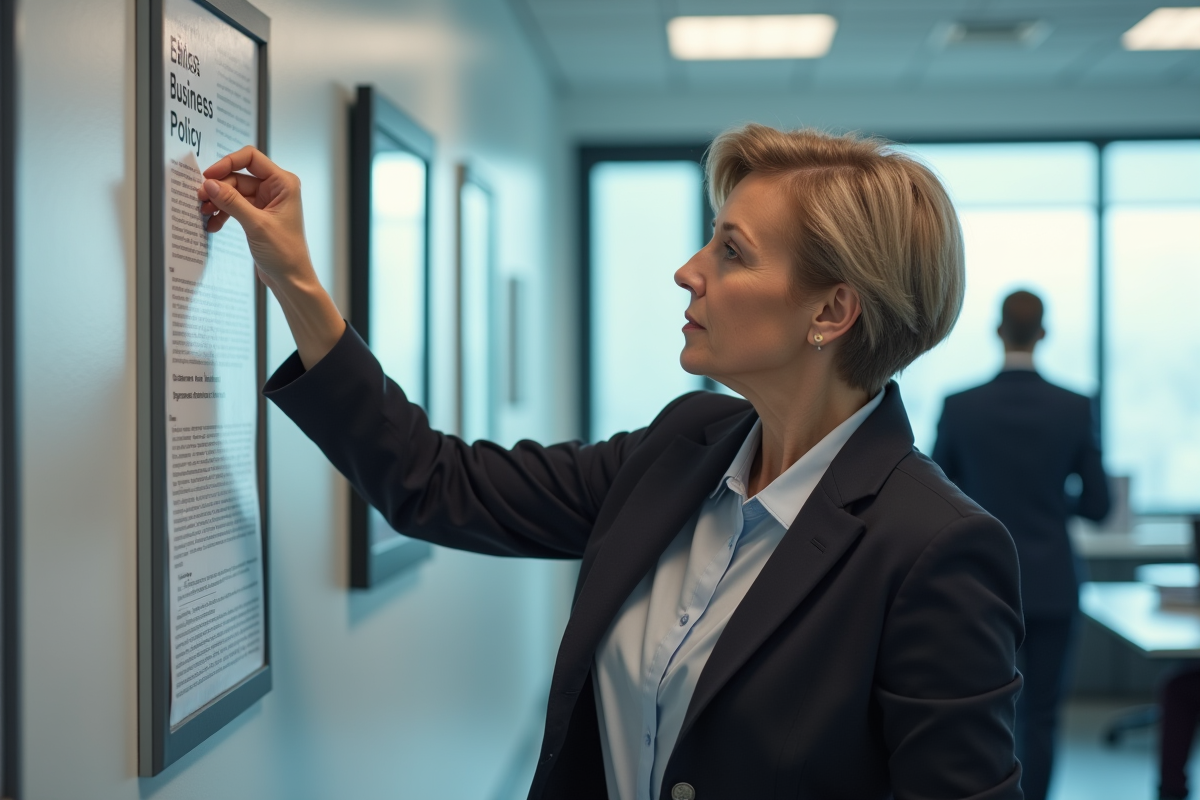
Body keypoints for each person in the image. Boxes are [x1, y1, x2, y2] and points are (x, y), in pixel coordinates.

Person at [198, 125, 1024, 799]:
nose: (688, 271)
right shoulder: (682, 447)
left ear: (833, 310)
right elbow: (436, 484)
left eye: (732, 252)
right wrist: (295, 279)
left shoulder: (933, 548)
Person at [933, 290, 1110, 800]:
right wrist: (1052, 503)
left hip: (979, 584)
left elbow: (937, 491)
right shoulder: (1075, 408)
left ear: (996, 330)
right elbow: (1097, 505)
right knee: (1043, 715)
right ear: (1044, 333)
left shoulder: (960, 406)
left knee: (978, 711)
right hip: (1053, 583)